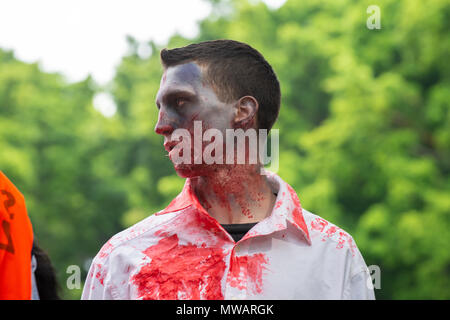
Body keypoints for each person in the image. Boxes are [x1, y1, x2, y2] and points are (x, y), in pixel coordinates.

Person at [81, 40, 375, 300]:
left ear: (243, 111)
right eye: (159, 107)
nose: (161, 125)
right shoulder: (122, 260)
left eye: (179, 102)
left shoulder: (334, 256)